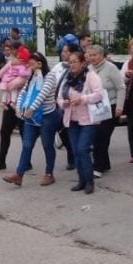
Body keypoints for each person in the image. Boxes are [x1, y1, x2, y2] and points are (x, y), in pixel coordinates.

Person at [2, 52, 58, 187]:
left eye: (32, 65)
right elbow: (23, 93)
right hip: (31, 117)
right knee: (27, 145)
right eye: (29, 65)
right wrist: (18, 107)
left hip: (46, 116)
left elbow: (42, 95)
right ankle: (19, 174)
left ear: (40, 64)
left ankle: (49, 173)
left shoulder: (49, 77)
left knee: (47, 145)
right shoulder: (31, 77)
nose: (30, 67)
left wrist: (32, 109)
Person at [57, 51, 103, 194]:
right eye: (70, 62)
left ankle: (90, 181)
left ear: (83, 62)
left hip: (88, 119)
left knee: (83, 149)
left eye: (74, 61)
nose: (72, 65)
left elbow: (99, 94)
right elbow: (59, 96)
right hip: (72, 119)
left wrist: (82, 99)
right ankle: (81, 180)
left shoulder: (91, 76)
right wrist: (62, 103)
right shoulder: (68, 78)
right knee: (76, 151)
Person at [87, 45, 125, 178]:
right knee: (97, 136)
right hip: (95, 108)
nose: (92, 58)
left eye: (95, 55)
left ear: (102, 55)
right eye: (90, 55)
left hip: (110, 106)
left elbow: (121, 87)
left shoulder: (111, 68)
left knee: (101, 136)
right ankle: (104, 163)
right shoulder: (89, 69)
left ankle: (98, 167)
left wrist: (120, 107)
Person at [0, 42, 26, 172]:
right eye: (10, 49)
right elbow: (0, 74)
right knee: (5, 131)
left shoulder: (24, 62)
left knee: (24, 132)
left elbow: (23, 79)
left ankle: (27, 161)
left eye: (14, 49)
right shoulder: (9, 62)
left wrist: (10, 84)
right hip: (9, 102)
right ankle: (1, 160)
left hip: (21, 103)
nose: (11, 51)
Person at [50, 42, 79, 170]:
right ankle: (71, 153)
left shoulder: (77, 69)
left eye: (67, 51)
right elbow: (50, 81)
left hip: (71, 104)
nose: (64, 54)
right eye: (63, 51)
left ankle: (74, 158)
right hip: (57, 103)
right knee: (61, 131)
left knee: (70, 130)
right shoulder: (57, 67)